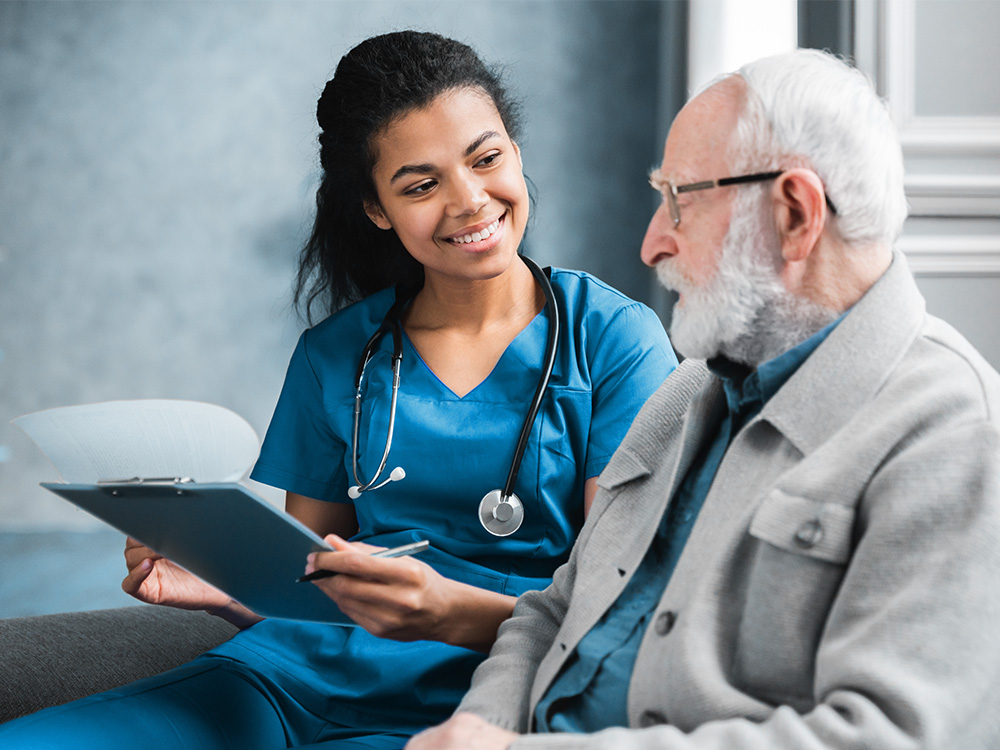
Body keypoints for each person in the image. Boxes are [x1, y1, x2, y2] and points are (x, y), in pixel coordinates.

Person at [0, 30, 676, 750]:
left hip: (489, 700)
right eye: (421, 185)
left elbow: (622, 600)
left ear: (516, 150)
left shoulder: (614, 342)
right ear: (377, 209)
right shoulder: (336, 357)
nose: (470, 201)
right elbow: (313, 585)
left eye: (487, 159)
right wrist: (231, 591)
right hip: (289, 681)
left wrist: (442, 611)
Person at [407, 48, 1000, 750]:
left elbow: (883, 740)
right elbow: (554, 609)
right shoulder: (689, 390)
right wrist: (478, 728)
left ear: (794, 213)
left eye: (679, 200)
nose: (652, 244)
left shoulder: (955, 430)